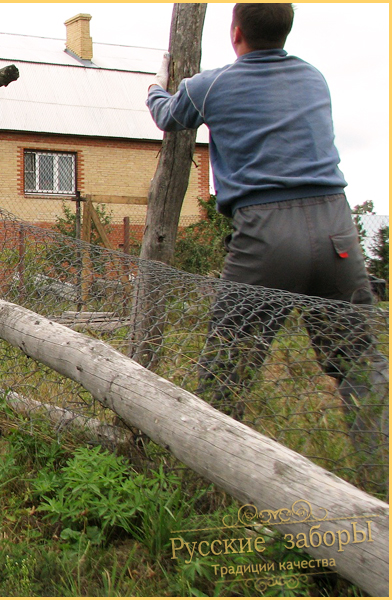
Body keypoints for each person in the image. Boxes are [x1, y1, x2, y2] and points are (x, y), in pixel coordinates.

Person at [145, 3, 387, 463]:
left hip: (267, 236)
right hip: (338, 228)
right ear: (286, 31)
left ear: (235, 32)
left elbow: (169, 116)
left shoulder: (211, 84)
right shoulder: (315, 78)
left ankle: (204, 474)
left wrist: (155, 88)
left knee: (228, 366)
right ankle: (380, 476)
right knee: (359, 364)